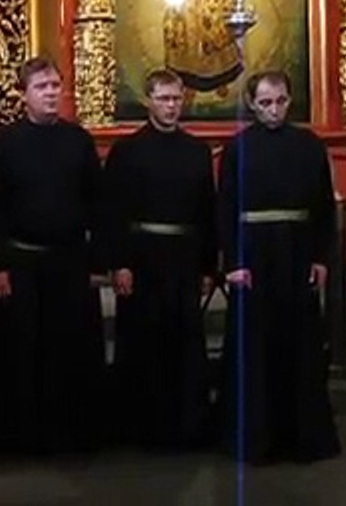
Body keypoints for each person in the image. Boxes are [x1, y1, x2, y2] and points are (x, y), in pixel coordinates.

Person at [0, 57, 106, 454]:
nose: (51, 93)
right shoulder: (4, 143)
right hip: (20, 264)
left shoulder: (78, 141)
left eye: (54, 86)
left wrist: (96, 262)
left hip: (70, 262)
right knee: (22, 351)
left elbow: (98, 204)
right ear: (24, 95)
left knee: (70, 352)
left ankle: (71, 434)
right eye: (41, 87)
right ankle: (21, 437)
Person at [219, 70, 340, 464]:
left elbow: (323, 207)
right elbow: (225, 208)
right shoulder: (237, 148)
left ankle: (303, 438)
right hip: (253, 258)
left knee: (300, 347)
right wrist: (233, 262)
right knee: (255, 349)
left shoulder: (310, 146)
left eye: (281, 101)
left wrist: (320, 257)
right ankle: (257, 439)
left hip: (297, 253)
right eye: (266, 103)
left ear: (290, 100)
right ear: (252, 104)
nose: (274, 110)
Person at [105, 68, 216, 449]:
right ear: (148, 101)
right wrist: (119, 263)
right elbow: (114, 211)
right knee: (143, 343)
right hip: (142, 260)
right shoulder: (127, 152)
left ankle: (186, 426)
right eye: (164, 99)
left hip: (184, 259)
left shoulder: (197, 152)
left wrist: (208, 265)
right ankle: (141, 428)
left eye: (176, 99)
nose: (171, 106)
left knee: (184, 343)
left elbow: (206, 211)